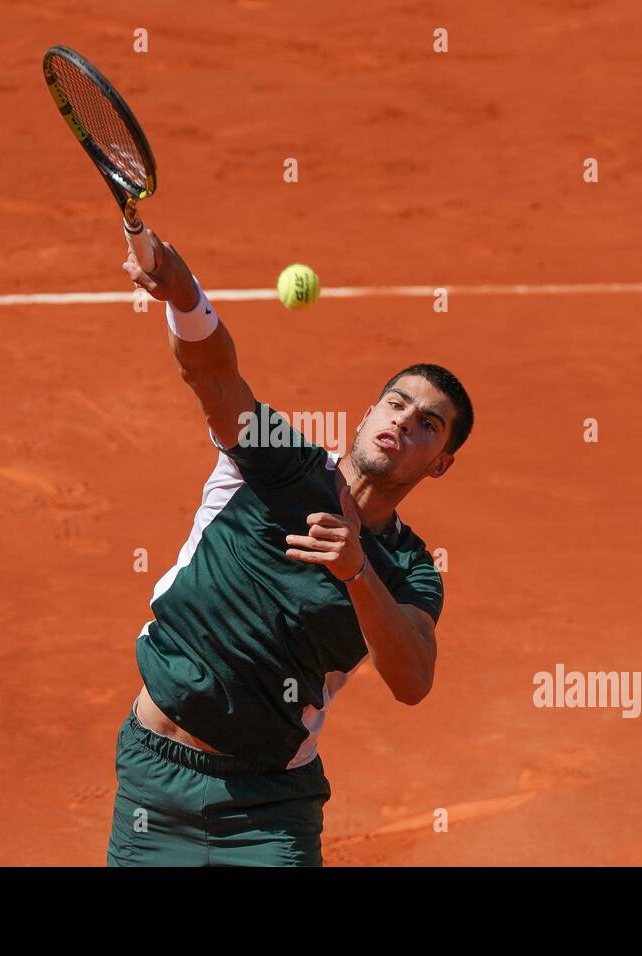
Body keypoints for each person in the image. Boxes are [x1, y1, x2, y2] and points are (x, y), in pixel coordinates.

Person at [106, 230, 474, 866]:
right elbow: (215, 377)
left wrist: (358, 570)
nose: (403, 424)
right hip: (152, 778)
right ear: (367, 415)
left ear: (438, 463)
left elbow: (412, 680)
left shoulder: (411, 569)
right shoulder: (279, 462)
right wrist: (183, 296)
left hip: (267, 807)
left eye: (427, 426)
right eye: (397, 404)